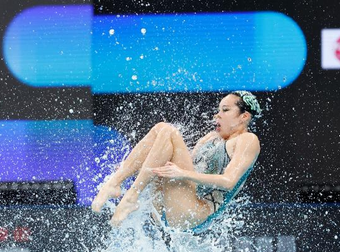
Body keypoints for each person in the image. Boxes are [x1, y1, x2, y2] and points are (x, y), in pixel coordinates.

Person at [92, 91, 261, 233]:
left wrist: (182, 173)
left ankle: (131, 194)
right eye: (218, 110)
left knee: (169, 131)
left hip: (195, 214)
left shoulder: (247, 140)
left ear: (243, 117)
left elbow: (229, 181)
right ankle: (116, 181)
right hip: (171, 206)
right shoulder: (210, 138)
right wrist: (134, 167)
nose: (217, 115)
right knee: (162, 129)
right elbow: (177, 160)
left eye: (225, 110)